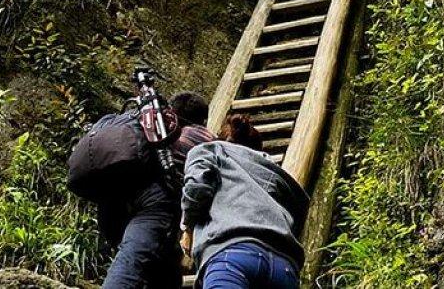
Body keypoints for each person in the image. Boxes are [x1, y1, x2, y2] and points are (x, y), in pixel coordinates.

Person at [99, 91, 215, 289]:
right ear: (203, 118)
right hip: (156, 202)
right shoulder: (204, 138)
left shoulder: (150, 129)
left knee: (163, 265)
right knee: (132, 262)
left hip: (114, 198)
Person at [180, 114, 309, 289]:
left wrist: (187, 228)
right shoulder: (272, 170)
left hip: (231, 254)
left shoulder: (209, 149)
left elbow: (197, 187)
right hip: (284, 265)